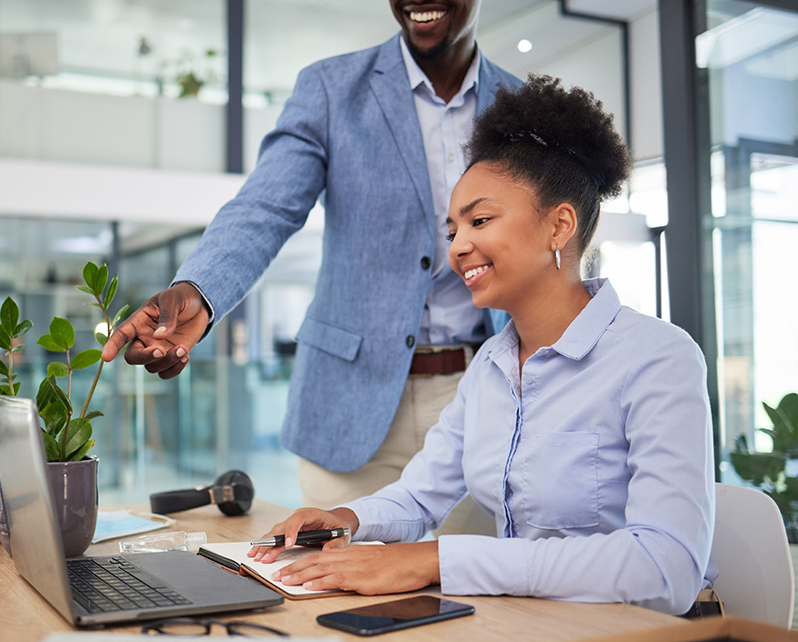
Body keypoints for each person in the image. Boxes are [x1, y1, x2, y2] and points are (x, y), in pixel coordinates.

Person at [247, 75, 716, 616]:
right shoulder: (492, 364)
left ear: (559, 225)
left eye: (480, 220)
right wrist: (347, 520)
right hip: (529, 622)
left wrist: (436, 560)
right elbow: (420, 496)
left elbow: (667, 568)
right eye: (452, 230)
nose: (458, 246)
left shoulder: (657, 358)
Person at [102, 1, 522, 530]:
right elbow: (265, 208)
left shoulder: (522, 105)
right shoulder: (330, 89)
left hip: (481, 395)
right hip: (349, 409)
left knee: (476, 595)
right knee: (339, 591)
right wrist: (199, 290)